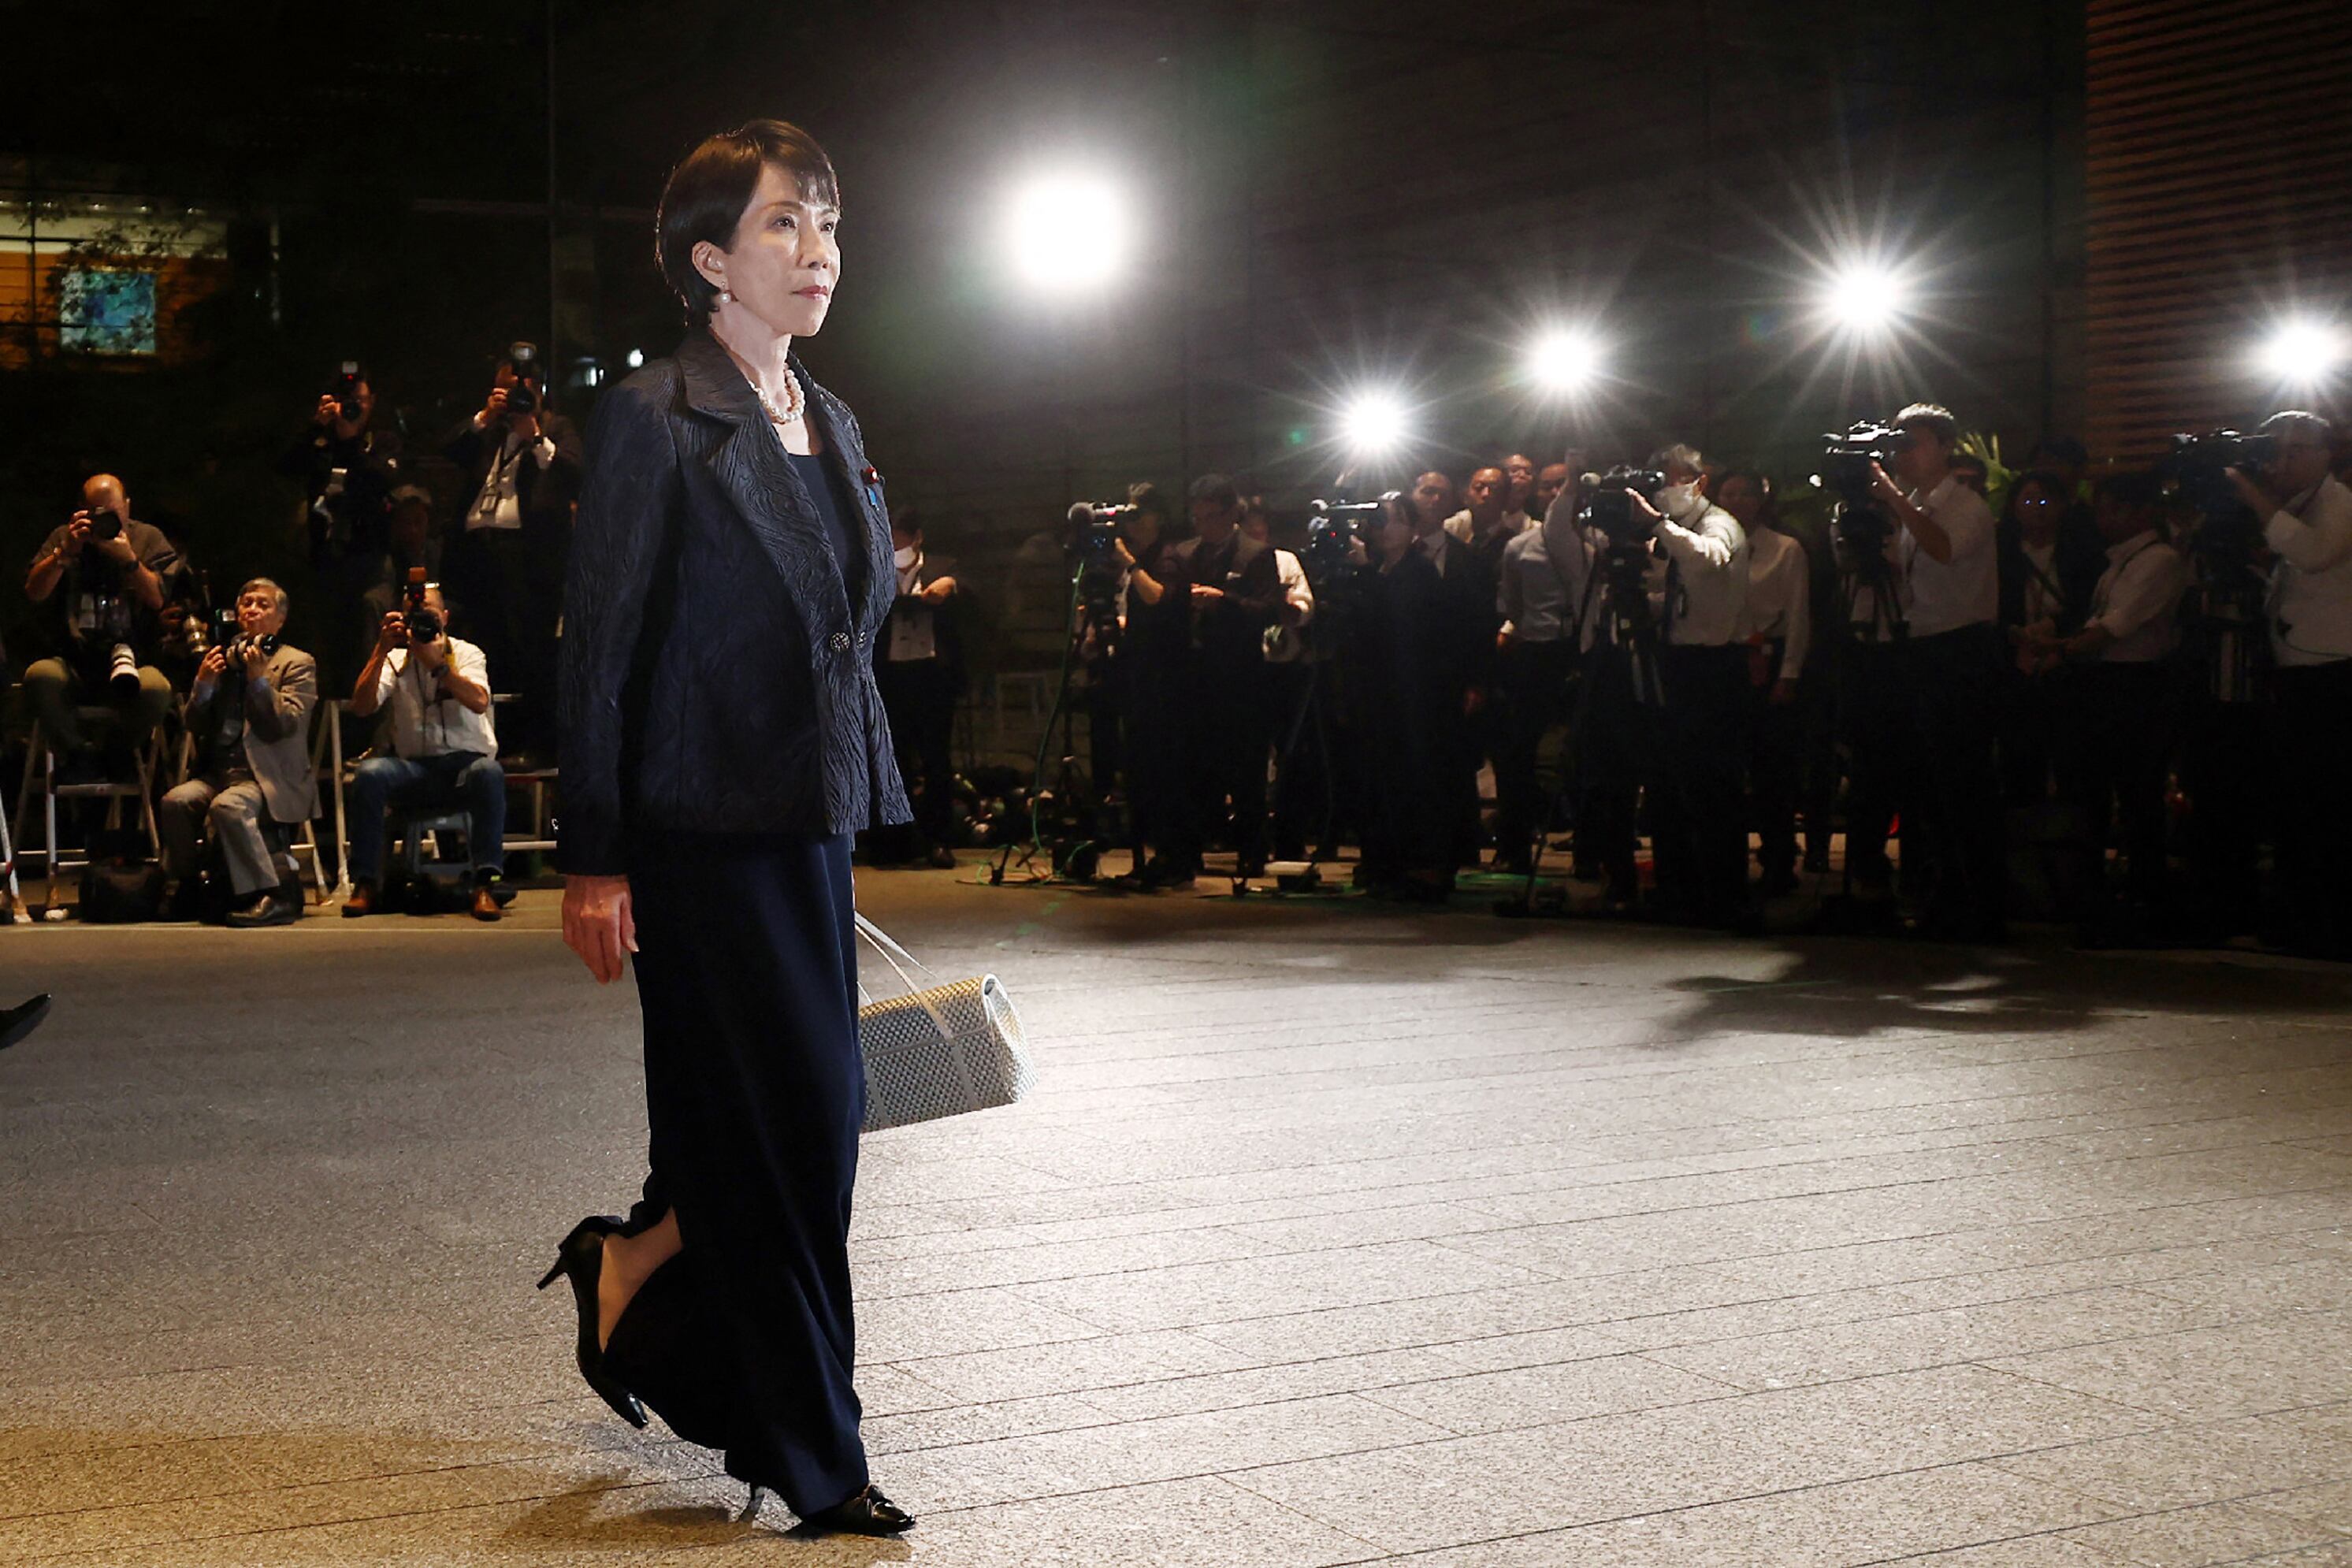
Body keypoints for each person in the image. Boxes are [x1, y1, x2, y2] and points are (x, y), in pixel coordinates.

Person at [550, 119, 913, 1538]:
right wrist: (594, 855)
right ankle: (818, 1457)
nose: (817, 250)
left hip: (809, 817)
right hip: (697, 829)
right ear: (711, 261)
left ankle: (635, 1268)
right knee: (785, 1132)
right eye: (782, 225)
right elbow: (602, 650)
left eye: (827, 222)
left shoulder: (833, 417)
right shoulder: (654, 417)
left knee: (800, 1126)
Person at [1871, 400, 2005, 938]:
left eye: (1914, 443)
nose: (1902, 454)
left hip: (1962, 651)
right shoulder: (1914, 504)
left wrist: (1892, 501)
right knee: (1929, 783)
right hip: (1924, 646)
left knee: (1964, 783)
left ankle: (1980, 904)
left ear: (1946, 448)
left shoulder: (1964, 503)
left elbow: (1944, 548)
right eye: (1897, 444)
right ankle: (1941, 896)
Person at [2033, 472, 2189, 924]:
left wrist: (2059, 648)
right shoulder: (2119, 562)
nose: (2100, 519)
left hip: (2137, 685)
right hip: (2111, 684)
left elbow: (2110, 629)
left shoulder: (2157, 560)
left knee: (2138, 792)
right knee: (2098, 790)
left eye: (2108, 509)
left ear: (2138, 512)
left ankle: (2145, 892)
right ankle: (2100, 890)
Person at [2231, 409, 2352, 951]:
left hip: (2331, 673)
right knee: (2297, 804)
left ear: (2326, 454)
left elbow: (2316, 554)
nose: (2281, 460)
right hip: (2300, 673)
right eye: (2275, 449)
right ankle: (2301, 921)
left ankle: (2326, 926)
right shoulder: (2300, 505)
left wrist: (2255, 500)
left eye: (2296, 449)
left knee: (2323, 805)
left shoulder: (2338, 502)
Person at [1624, 444, 1751, 926]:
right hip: (1676, 662)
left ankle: (1724, 895)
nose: (1662, 491)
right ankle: (1678, 889)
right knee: (1669, 784)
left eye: (1671, 480)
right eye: (1656, 482)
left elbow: (1710, 561)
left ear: (1698, 482)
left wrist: (1658, 524)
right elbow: (1676, 597)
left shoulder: (1719, 523)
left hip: (1715, 669)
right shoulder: (1673, 533)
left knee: (1713, 789)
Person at [444, 342, 585, 757]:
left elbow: (577, 474)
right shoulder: (489, 431)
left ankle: (534, 745)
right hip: (479, 556)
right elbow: (447, 448)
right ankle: (491, 741)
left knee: (531, 652)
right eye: (506, 391)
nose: (515, 400)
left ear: (539, 391)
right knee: (487, 649)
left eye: (521, 391)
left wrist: (536, 437)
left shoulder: (556, 427)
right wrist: (486, 417)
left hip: (528, 559)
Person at [158, 579, 318, 928]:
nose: (253, 610)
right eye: (247, 603)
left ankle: (273, 895)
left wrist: (260, 680)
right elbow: (194, 724)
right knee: (176, 801)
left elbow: (284, 725)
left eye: (263, 605)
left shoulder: (296, 663)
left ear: (280, 619)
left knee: (228, 806)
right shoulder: (224, 658)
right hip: (219, 772)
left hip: (267, 775)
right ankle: (188, 887)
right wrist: (203, 685)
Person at [340, 584, 506, 920]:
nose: (423, 621)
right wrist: (381, 648)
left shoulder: (468, 652)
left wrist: (440, 666)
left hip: (464, 766)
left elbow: (478, 701)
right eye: (415, 615)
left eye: (429, 614)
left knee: (489, 772)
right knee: (370, 773)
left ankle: (485, 884)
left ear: (444, 617)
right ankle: (366, 884)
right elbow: (361, 706)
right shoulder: (396, 659)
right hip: (414, 768)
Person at [1146, 474, 1283, 881]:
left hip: (1241, 679)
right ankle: (1192, 849)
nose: (1203, 525)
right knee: (1194, 768)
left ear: (1230, 514)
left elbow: (1269, 610)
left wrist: (1224, 602)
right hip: (1193, 677)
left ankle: (1252, 849)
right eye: (1197, 516)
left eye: (1210, 516)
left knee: (1246, 771)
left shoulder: (1256, 554)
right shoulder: (1183, 553)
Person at [21, 474, 178, 776]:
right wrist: (64, 553)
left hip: (132, 663)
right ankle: (78, 754)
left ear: (128, 507)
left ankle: (116, 754)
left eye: (113, 512)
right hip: (73, 661)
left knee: (157, 689)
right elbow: (34, 592)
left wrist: (129, 560)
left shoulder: (148, 539)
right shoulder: (66, 537)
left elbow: (158, 599)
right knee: (40, 677)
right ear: (82, 511)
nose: (105, 519)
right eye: (97, 512)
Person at [1347, 495, 1452, 899]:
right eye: (1379, 522)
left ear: (1410, 529)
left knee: (1412, 778)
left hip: (1413, 694)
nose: (1382, 529)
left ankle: (1422, 864)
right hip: (1379, 692)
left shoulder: (1419, 572)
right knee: (1378, 776)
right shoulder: (1379, 571)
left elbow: (1399, 621)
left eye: (1391, 521)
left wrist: (1365, 576)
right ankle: (1383, 859)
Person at [1491, 473, 1588, 875]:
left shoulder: (1595, 541)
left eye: (1564, 487)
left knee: (1583, 751)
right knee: (1518, 751)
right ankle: (1513, 845)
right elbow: (1510, 602)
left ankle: (1590, 849)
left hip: (1581, 649)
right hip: (1534, 650)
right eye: (1549, 487)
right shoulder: (1518, 546)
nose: (1555, 494)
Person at [1718, 470, 1809, 897]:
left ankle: (1778, 860)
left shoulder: (1785, 549)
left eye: (1744, 494)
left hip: (1768, 657)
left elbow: (1798, 617)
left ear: (1760, 499)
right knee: (1727, 770)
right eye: (1728, 493)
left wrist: (1789, 673)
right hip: (1722, 660)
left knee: (1772, 771)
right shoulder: (1709, 545)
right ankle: (1728, 864)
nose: (1736, 501)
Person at [1995, 470, 2103, 807]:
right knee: (2020, 760)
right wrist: (2012, 634)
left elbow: (2093, 604)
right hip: (2017, 663)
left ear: (2062, 506)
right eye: (2028, 500)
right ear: (2013, 507)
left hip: (2069, 662)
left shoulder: (2082, 552)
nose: (2037, 509)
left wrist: (2057, 628)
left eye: (2045, 501)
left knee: (2073, 760)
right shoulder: (2000, 553)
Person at [871, 507, 963, 868]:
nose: (896, 544)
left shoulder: (942, 566)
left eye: (902, 538)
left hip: (932, 677)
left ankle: (939, 838)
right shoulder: (877, 568)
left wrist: (950, 586)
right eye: (890, 537)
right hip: (891, 677)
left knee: (936, 760)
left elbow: (972, 591)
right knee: (895, 761)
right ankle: (898, 839)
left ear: (917, 537)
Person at [1243, 496, 1321, 864]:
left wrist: (1287, 608)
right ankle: (1251, 837)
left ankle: (1290, 835)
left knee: (1291, 753)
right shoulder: (1234, 562)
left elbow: (1306, 606)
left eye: (1261, 530)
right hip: (1245, 667)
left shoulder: (1285, 560)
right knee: (1249, 755)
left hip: (1284, 664)